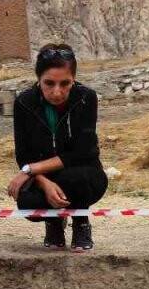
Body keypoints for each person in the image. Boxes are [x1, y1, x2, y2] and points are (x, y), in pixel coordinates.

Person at [7, 43, 107, 252]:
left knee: (77, 180)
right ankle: (53, 222)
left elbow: (83, 151)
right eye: (49, 83)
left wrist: (31, 171)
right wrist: (43, 183)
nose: (57, 91)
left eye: (65, 83)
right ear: (38, 79)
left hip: (82, 171)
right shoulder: (24, 103)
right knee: (28, 202)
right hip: (45, 175)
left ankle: (81, 221)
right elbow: (23, 153)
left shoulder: (85, 98)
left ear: (74, 79)